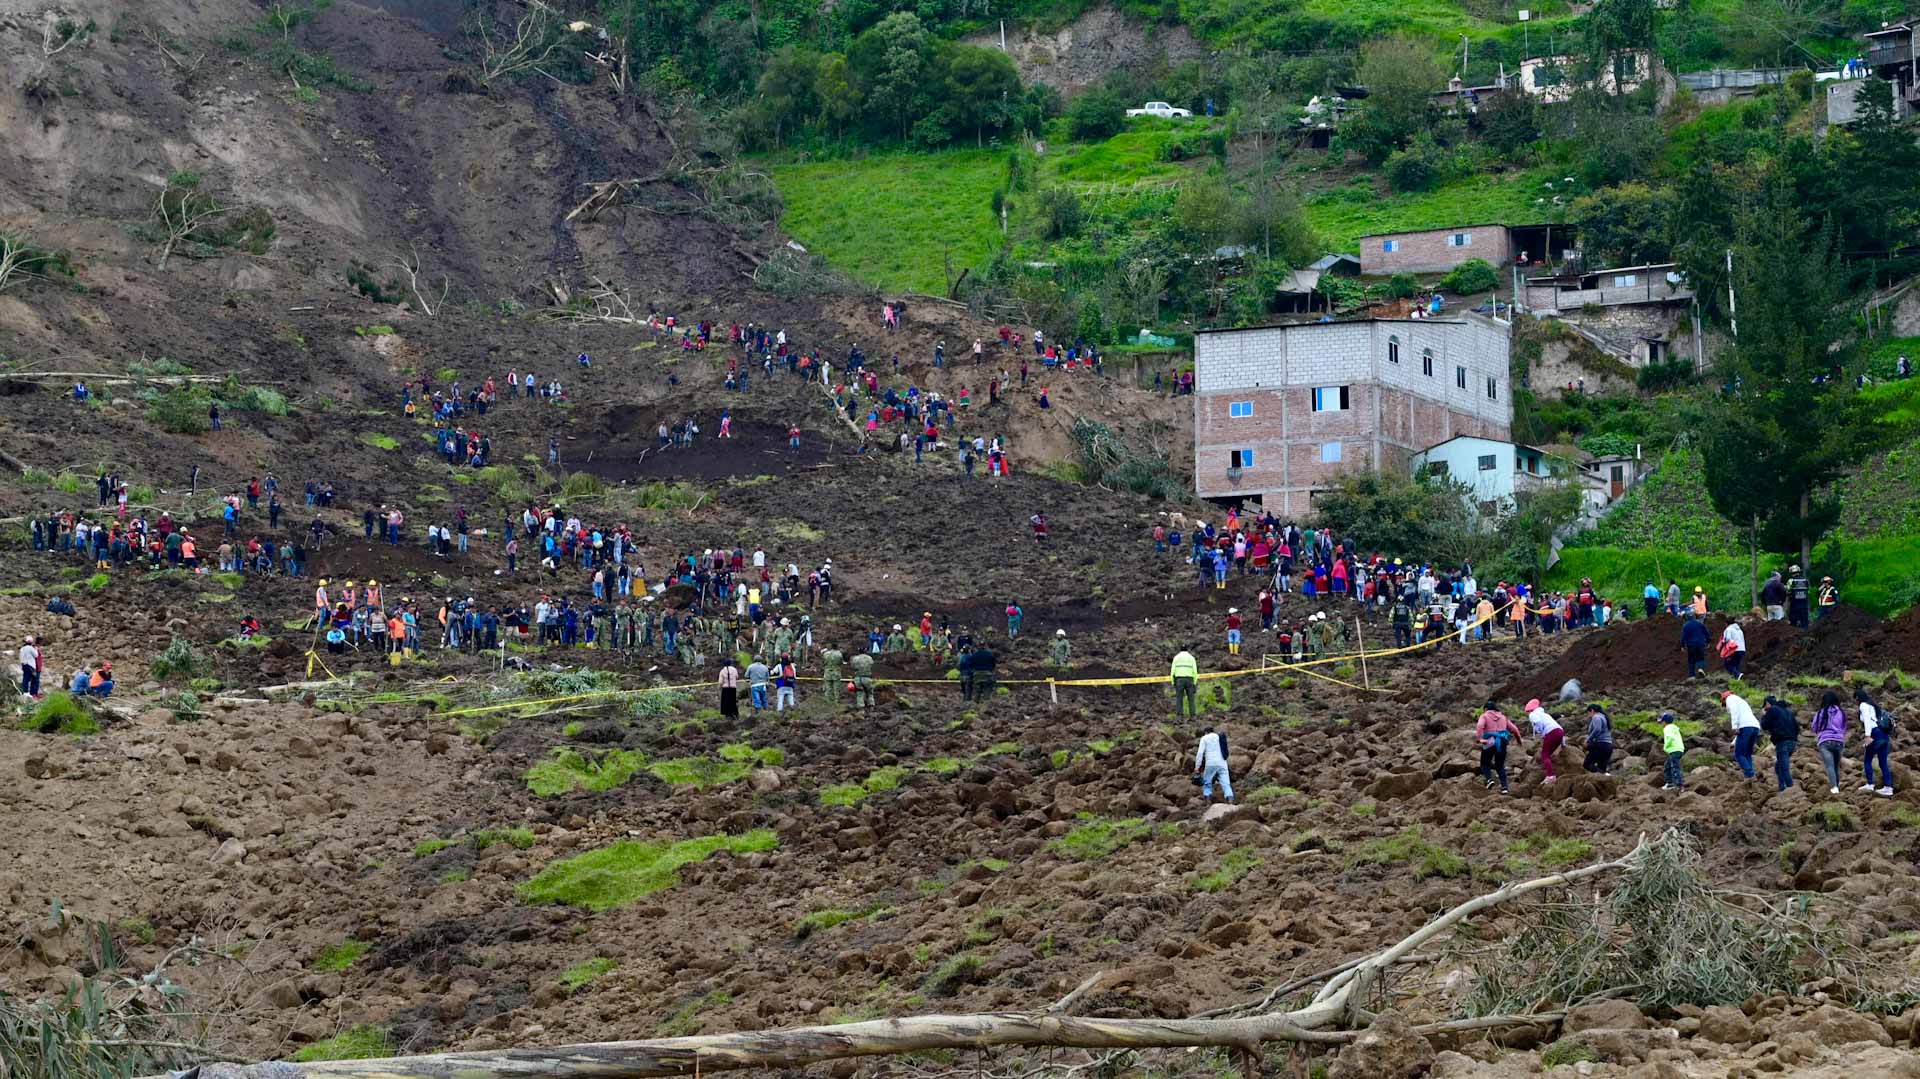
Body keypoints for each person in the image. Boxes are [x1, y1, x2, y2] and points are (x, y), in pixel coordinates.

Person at [1475, 701, 1523, 794]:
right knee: (1500, 766)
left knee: (1485, 763)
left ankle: (1489, 780)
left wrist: (1480, 739)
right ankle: (1504, 787)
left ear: (1485, 709)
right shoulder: (1503, 717)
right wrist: (1519, 741)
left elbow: (1480, 725)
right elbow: (1515, 729)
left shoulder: (1484, 716)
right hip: (1502, 742)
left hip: (1490, 742)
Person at [1810, 690, 1847, 795]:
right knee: (1836, 766)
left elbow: (1814, 727)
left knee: (1829, 766)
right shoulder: (1841, 712)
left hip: (1825, 741)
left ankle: (1834, 788)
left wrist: (1821, 731)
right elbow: (1844, 727)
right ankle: (1837, 787)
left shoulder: (1821, 712)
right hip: (1839, 741)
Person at [1858, 687, 1893, 796]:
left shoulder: (1863, 705)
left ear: (1858, 698)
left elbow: (1867, 722)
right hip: (1883, 734)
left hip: (1874, 734)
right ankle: (1888, 787)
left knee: (1867, 759)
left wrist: (1867, 736)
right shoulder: (1873, 706)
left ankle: (1870, 784)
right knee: (1883, 762)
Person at [1761, 695, 1799, 791]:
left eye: (1764, 706)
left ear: (1767, 703)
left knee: (1783, 766)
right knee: (1779, 766)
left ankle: (1791, 788)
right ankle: (1782, 787)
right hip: (1793, 742)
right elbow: (1797, 728)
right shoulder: (1788, 712)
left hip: (1782, 741)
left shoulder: (1772, 710)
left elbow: (1764, 726)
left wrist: (1764, 716)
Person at [1724, 690, 1761, 779]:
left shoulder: (1730, 698)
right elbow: (1743, 727)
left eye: (1723, 704)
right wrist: (1733, 743)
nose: (1725, 706)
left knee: (1739, 754)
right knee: (1747, 754)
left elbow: (1734, 712)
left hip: (1746, 727)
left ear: (1724, 699)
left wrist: (1734, 726)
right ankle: (1751, 776)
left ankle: (1750, 775)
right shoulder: (1742, 701)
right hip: (1755, 726)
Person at [1525, 698, 1564, 784]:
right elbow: (1556, 725)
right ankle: (1551, 771)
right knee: (1549, 754)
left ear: (1529, 710)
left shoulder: (1532, 714)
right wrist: (1563, 745)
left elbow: (1537, 722)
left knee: (1545, 755)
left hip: (1551, 732)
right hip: (1560, 731)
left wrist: (1541, 731)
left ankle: (1550, 776)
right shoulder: (1545, 714)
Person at [1193, 725, 1233, 803]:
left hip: (1210, 763)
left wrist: (1197, 767)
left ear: (1205, 732)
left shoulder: (1204, 738)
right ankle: (1230, 799)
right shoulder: (1219, 737)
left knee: (1207, 782)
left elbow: (1200, 753)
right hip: (1222, 763)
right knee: (1226, 783)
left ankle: (1208, 800)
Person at [1582, 703, 1613, 774]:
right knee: (1601, 768)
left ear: (1592, 710)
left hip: (1600, 745)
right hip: (1608, 746)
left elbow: (1597, 729)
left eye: (1588, 713)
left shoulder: (1596, 717)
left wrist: (1588, 740)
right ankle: (1606, 775)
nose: (1588, 715)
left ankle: (1605, 774)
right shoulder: (1604, 717)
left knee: (1587, 764)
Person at [1660, 713, 1686, 790]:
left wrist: (1665, 747)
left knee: (1674, 767)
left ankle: (1679, 785)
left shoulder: (1667, 728)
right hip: (1679, 749)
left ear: (1665, 722)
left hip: (1674, 749)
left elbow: (1670, 738)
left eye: (1662, 722)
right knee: (1668, 765)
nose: (1661, 723)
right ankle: (1670, 783)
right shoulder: (1675, 728)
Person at [1170, 647, 1198, 716]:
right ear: (1187, 649)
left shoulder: (1176, 658)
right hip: (1190, 679)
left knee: (1179, 698)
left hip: (1179, 679)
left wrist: (1173, 682)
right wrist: (1194, 682)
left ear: (1180, 649)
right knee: (1191, 698)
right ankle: (1193, 714)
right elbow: (1195, 671)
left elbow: (1172, 671)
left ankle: (1180, 715)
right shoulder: (1191, 658)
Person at [1680, 612, 1709, 678]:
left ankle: (1692, 675)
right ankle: (1700, 669)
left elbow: (1683, 636)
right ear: (1694, 617)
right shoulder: (1700, 624)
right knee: (1701, 658)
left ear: (1687, 618)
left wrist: (1682, 645)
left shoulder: (1686, 626)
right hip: (1700, 644)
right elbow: (1706, 633)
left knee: (1691, 659)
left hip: (1691, 645)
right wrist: (1708, 641)